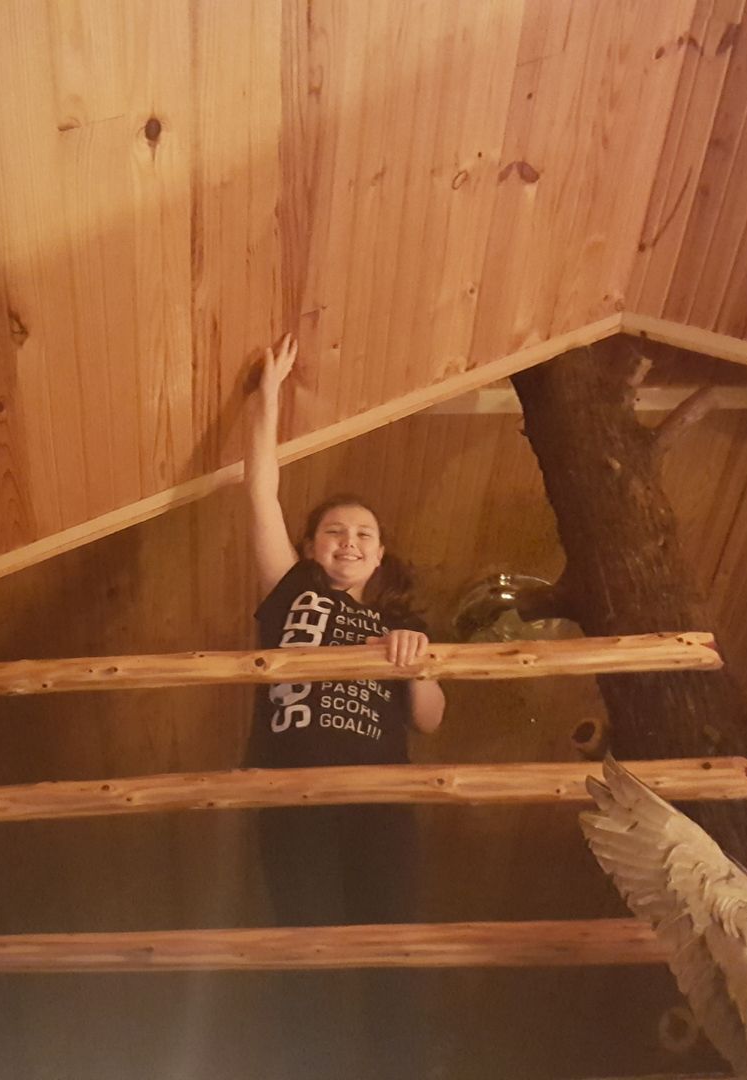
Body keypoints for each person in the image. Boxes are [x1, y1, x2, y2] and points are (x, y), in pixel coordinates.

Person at [243, 333, 445, 1077]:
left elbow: (430, 717)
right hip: (295, 794)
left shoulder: (404, 627)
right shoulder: (290, 589)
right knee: (308, 947)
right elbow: (259, 493)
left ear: (381, 555)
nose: (349, 542)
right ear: (310, 545)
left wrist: (410, 665)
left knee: (393, 949)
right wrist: (266, 403)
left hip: (379, 802)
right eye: (335, 531)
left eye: (364, 535)